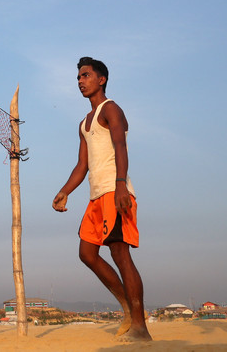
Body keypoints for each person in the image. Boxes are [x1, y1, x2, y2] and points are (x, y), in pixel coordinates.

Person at [52, 57, 151, 341]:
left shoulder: (111, 109)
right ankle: (126, 308)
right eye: (78, 78)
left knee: (120, 254)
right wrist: (65, 191)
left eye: (85, 76)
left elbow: (120, 146)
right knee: (87, 254)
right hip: (96, 196)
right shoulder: (84, 123)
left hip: (115, 190)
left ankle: (140, 327)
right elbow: (82, 165)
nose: (81, 81)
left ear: (101, 79)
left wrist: (121, 185)